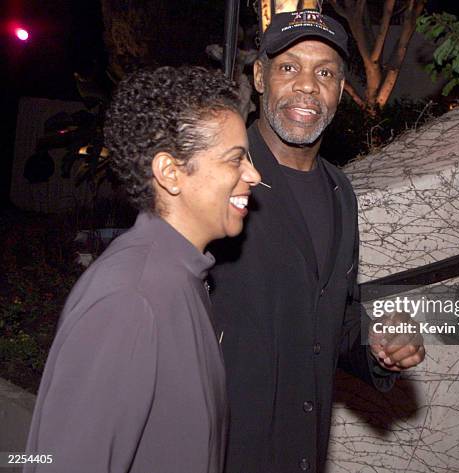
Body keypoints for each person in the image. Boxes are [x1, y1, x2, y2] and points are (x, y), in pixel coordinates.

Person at [209, 10, 425, 473]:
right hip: (219, 449)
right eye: (289, 67)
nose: (307, 85)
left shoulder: (339, 191)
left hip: (302, 449)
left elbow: (333, 317)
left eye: (324, 72)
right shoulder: (215, 176)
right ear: (260, 76)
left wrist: (377, 341)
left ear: (339, 89)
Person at [23, 66, 261, 473]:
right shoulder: (130, 300)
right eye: (235, 160)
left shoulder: (180, 277)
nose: (253, 176)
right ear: (170, 173)